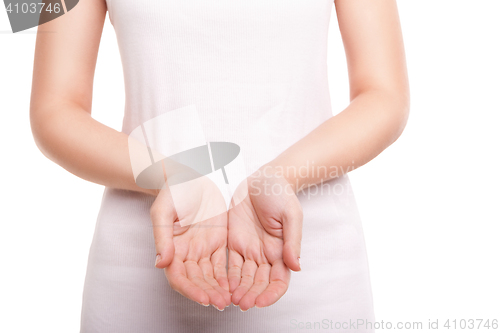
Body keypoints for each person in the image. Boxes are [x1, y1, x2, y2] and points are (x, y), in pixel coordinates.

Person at [30, 0, 410, 332]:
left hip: (314, 269)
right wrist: (175, 176)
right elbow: (53, 111)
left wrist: (281, 178)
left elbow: (385, 96)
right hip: (137, 271)